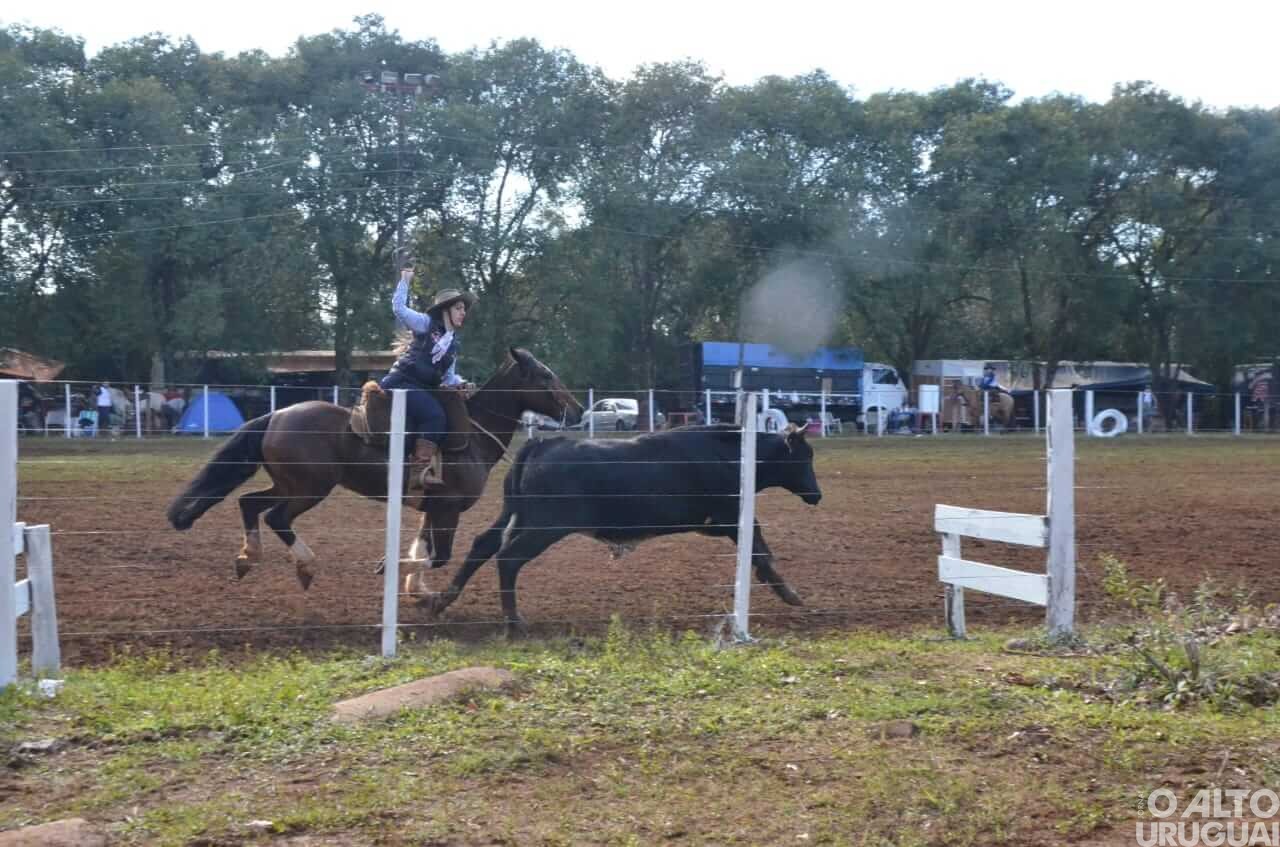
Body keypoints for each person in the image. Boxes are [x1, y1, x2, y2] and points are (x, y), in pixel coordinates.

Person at [379, 262, 476, 492]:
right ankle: (418, 473)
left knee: (440, 412)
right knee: (435, 416)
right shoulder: (425, 324)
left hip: (420, 389)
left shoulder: (453, 345)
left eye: (464, 309)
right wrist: (405, 280)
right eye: (459, 308)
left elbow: (449, 377)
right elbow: (399, 308)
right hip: (400, 382)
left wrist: (462, 383)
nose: (463, 313)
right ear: (446, 310)